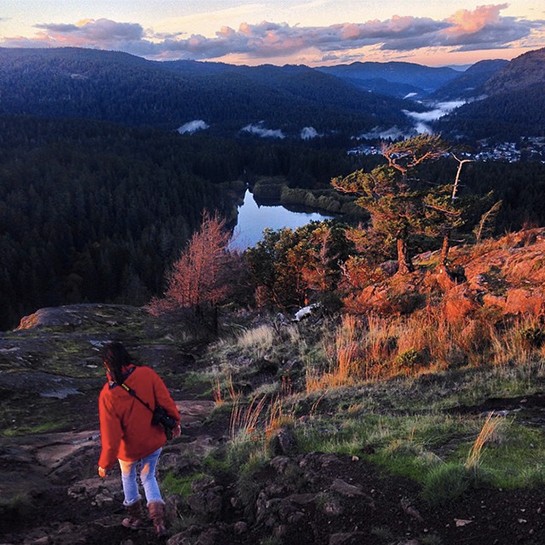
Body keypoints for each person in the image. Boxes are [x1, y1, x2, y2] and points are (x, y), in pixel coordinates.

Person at [97, 341, 181, 536]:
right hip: (153, 440)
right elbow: (166, 402)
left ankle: (135, 519)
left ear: (106, 365)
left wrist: (104, 464)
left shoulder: (107, 395)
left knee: (128, 476)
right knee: (148, 476)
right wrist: (175, 422)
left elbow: (111, 436)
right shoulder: (147, 374)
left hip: (129, 450)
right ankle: (158, 522)